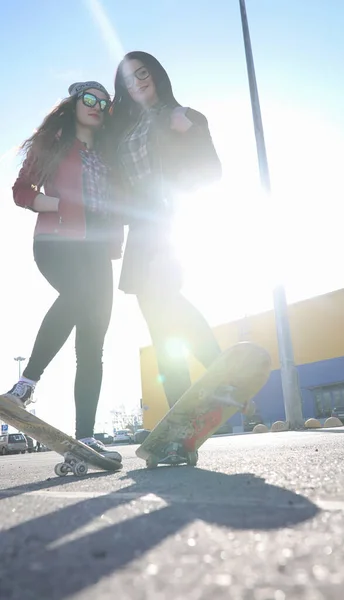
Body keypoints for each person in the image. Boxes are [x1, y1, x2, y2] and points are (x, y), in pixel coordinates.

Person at [5, 81, 124, 461]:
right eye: (90, 99)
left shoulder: (108, 151)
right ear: (74, 104)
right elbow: (21, 190)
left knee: (93, 344)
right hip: (56, 241)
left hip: (97, 251)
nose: (97, 106)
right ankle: (25, 386)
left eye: (104, 103)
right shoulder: (56, 141)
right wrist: (58, 204)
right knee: (78, 297)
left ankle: (85, 437)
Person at [109, 51, 223, 415]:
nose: (137, 82)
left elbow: (211, 172)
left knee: (167, 299)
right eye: (128, 80)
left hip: (169, 220)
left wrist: (192, 131)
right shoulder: (124, 128)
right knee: (157, 321)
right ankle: (181, 412)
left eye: (142, 73)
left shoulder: (180, 116)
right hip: (141, 228)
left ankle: (219, 369)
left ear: (156, 74)